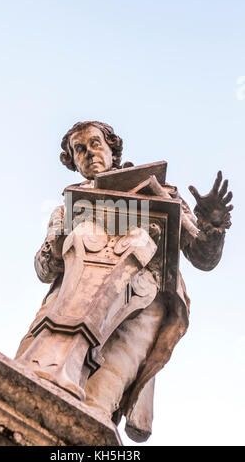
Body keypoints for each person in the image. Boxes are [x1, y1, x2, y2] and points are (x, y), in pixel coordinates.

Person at [15, 121, 233, 442]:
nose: (89, 153)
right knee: (29, 379)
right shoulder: (67, 207)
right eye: (79, 149)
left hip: (142, 302)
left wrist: (212, 222)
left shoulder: (162, 190)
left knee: (98, 400)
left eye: (95, 143)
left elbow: (203, 255)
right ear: (72, 161)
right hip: (69, 297)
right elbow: (44, 269)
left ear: (112, 148)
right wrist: (59, 240)